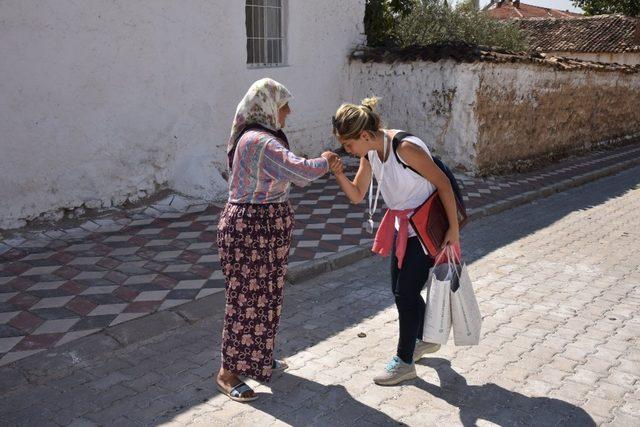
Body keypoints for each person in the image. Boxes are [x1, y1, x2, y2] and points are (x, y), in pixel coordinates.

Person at [216, 78, 341, 402]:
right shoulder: (259, 141)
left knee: (266, 297)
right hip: (251, 231)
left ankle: (256, 359)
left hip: (264, 229)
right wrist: (326, 160)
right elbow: (299, 172)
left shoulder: (261, 138)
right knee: (245, 301)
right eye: (284, 105)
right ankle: (228, 373)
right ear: (268, 107)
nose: (289, 112)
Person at [330, 97, 461, 386]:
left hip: (427, 230)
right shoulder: (371, 154)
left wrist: (453, 229)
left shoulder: (406, 148)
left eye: (349, 144)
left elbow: (443, 183)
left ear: (364, 135)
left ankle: (404, 361)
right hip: (404, 228)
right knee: (401, 290)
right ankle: (426, 338)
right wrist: (339, 173)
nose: (348, 151)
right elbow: (356, 194)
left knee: (405, 293)